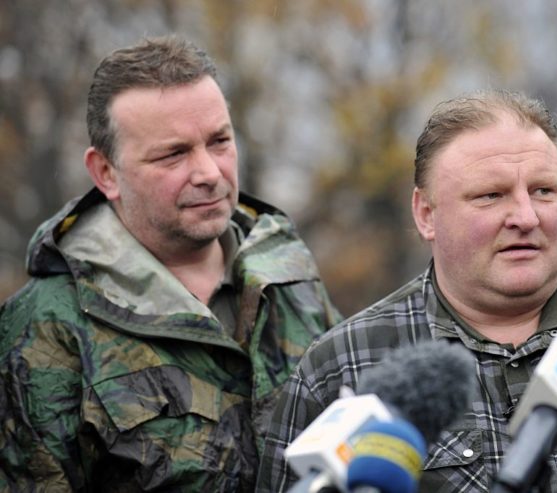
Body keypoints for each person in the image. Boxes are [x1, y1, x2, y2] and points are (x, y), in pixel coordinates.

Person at [256, 89, 557, 492]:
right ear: (426, 214)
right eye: (491, 195)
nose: (526, 217)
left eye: (544, 191)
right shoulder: (341, 369)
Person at [0, 35, 341, 492]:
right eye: (173, 154)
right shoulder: (46, 327)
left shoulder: (291, 281)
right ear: (106, 173)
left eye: (219, 141)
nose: (208, 173)